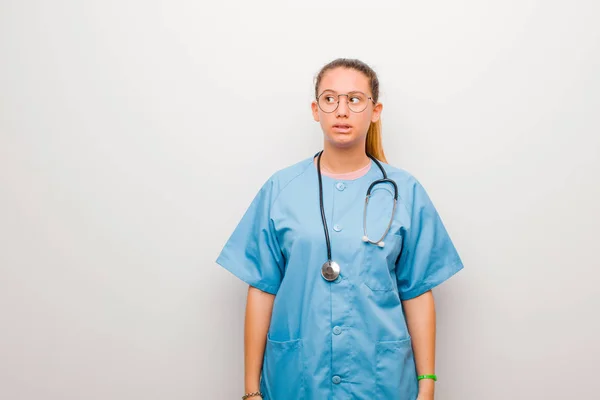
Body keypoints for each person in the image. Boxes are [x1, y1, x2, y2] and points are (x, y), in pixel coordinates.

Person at [215, 58, 464, 400]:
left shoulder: (404, 191)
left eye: (355, 99)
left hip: (380, 380)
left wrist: (428, 385)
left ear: (375, 111)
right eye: (330, 99)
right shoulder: (281, 188)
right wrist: (250, 391)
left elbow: (417, 291)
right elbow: (261, 289)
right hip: (298, 378)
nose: (342, 111)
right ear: (316, 110)